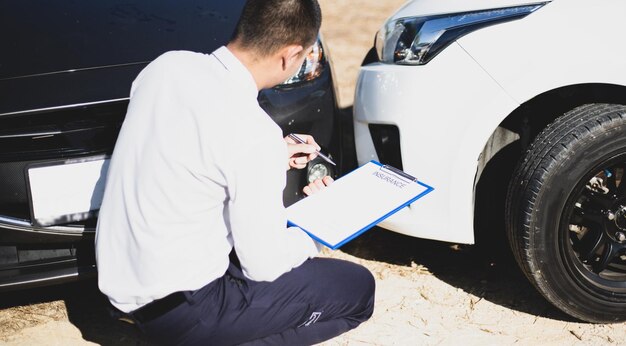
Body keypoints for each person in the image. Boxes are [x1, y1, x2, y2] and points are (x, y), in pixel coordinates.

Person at [94, 0, 375, 344]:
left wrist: (273, 155)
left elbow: (193, 148)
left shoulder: (165, 67)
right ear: (290, 55)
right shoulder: (254, 132)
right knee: (358, 290)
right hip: (185, 310)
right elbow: (264, 266)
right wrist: (318, 227)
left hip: (122, 287)